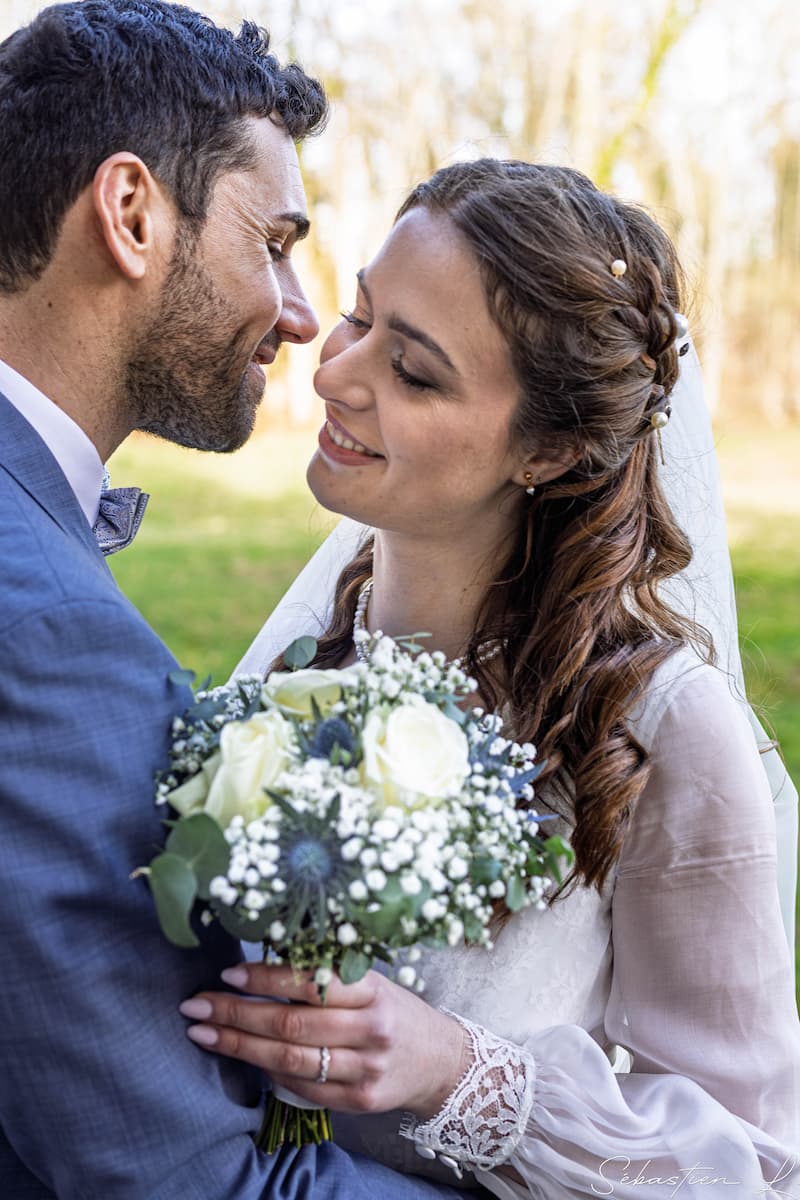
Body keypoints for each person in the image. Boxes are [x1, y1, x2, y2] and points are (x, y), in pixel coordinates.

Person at [179, 160, 800, 1198]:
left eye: (414, 370)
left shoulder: (658, 727)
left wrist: (451, 1073)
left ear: (549, 448)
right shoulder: (312, 647)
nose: (334, 373)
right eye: (355, 316)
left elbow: (758, 1170)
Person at [0, 3, 480, 1198]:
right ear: (130, 214)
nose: (304, 313)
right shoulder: (49, 632)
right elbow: (183, 1178)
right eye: (273, 241)